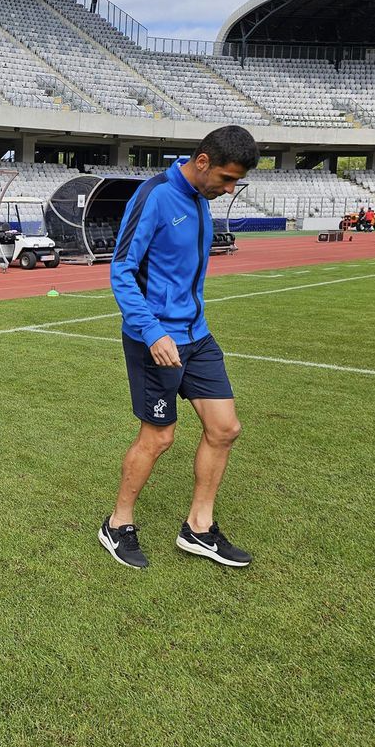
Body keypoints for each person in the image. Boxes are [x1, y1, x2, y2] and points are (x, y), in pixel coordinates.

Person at [99, 125, 259, 570]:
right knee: (159, 437)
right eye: (227, 179)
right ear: (203, 161)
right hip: (155, 340)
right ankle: (117, 524)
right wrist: (152, 332)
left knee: (225, 428)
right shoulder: (154, 197)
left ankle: (199, 529)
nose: (228, 190)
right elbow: (122, 270)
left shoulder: (201, 201)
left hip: (197, 335)